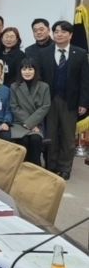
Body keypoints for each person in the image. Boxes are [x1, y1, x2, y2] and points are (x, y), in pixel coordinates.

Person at [38, 20, 89, 179]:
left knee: (68, 137)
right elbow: (39, 78)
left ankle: (65, 168)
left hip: (70, 101)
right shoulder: (44, 53)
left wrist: (83, 102)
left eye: (63, 32)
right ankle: (51, 166)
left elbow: (85, 80)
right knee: (51, 135)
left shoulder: (80, 53)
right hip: (49, 100)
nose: (59, 34)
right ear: (52, 34)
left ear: (70, 35)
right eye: (56, 31)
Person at [10, 58, 51, 166]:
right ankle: (20, 168)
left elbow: (45, 106)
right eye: (24, 69)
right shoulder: (14, 86)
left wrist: (31, 123)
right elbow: (14, 107)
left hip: (37, 123)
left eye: (30, 69)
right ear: (20, 71)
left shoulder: (44, 86)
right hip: (19, 123)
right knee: (23, 140)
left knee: (35, 139)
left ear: (35, 71)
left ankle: (34, 169)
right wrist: (28, 124)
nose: (27, 72)